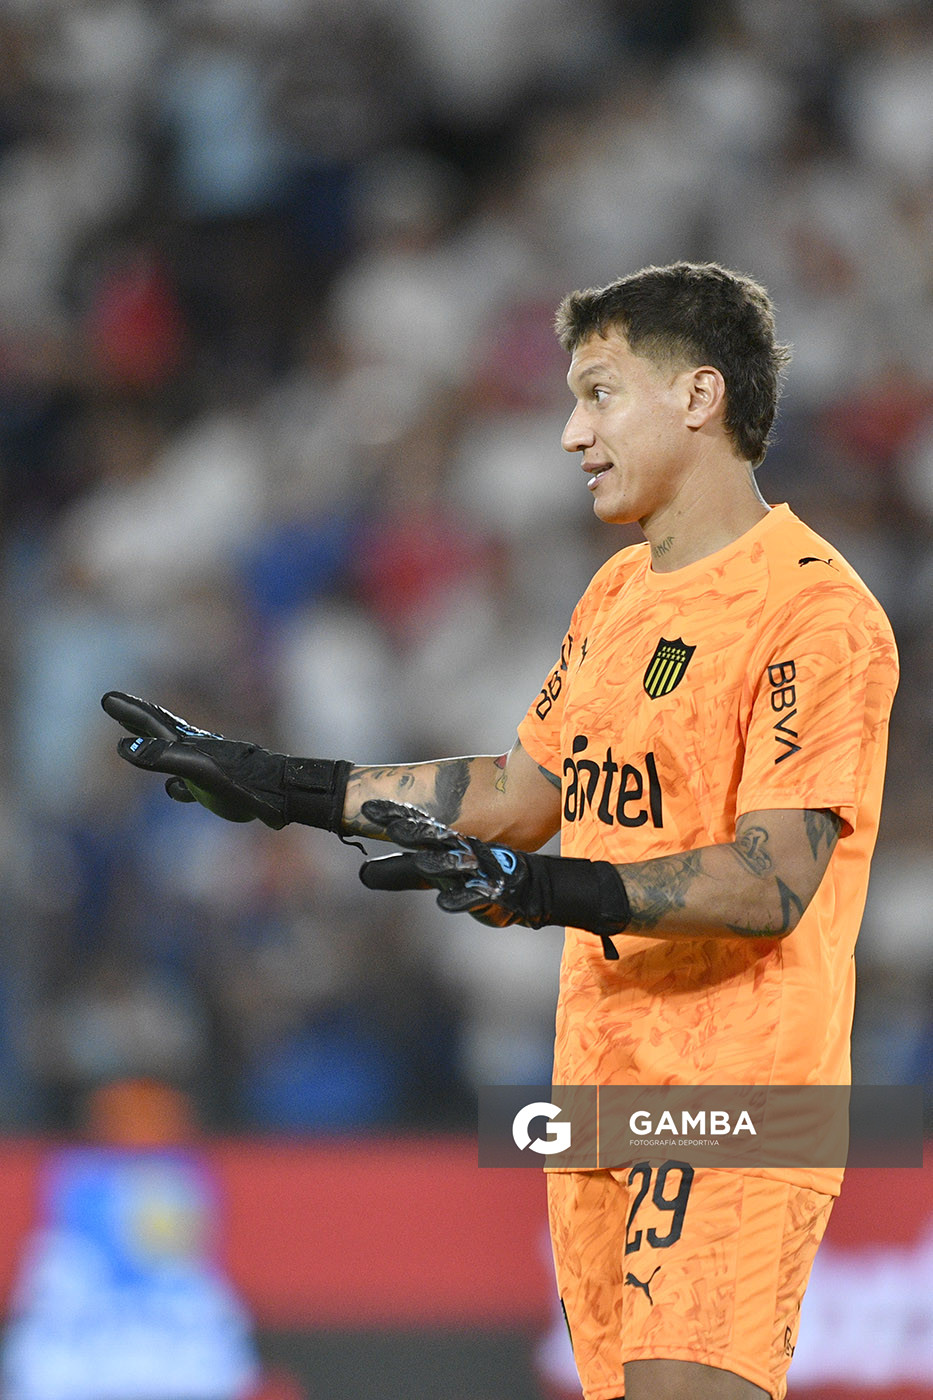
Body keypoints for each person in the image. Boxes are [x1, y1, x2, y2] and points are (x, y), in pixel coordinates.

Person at [102, 261, 899, 1400]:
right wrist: (276, 781)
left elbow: (770, 881)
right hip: (596, 1088)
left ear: (699, 396)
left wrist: (535, 890)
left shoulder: (817, 612)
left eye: (599, 393)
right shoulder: (619, 596)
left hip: (738, 1091)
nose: (572, 433)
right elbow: (519, 795)